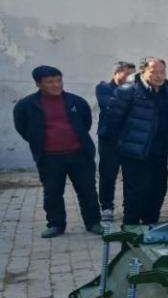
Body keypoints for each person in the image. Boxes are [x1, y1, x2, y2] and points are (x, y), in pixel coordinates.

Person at [14, 66, 102, 237]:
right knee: (52, 193)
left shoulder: (76, 101)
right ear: (38, 84)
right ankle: (55, 224)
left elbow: (85, 123)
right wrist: (41, 142)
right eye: (50, 82)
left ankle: (93, 222)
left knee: (88, 190)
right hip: (49, 157)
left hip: (79, 155)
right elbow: (23, 128)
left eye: (58, 80)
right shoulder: (26, 106)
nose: (56, 85)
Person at [100, 57, 168, 226]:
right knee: (136, 193)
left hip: (159, 149)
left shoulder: (166, 88)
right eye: (154, 72)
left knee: (158, 190)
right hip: (135, 152)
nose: (159, 76)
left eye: (162, 72)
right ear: (142, 72)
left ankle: (150, 224)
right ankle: (130, 228)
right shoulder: (127, 90)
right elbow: (112, 122)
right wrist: (121, 146)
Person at [95, 61, 135, 215]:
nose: (131, 78)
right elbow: (110, 106)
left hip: (130, 139)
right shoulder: (103, 88)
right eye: (127, 74)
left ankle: (130, 206)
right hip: (109, 139)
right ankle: (106, 207)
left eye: (133, 75)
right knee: (108, 174)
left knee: (131, 175)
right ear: (116, 73)